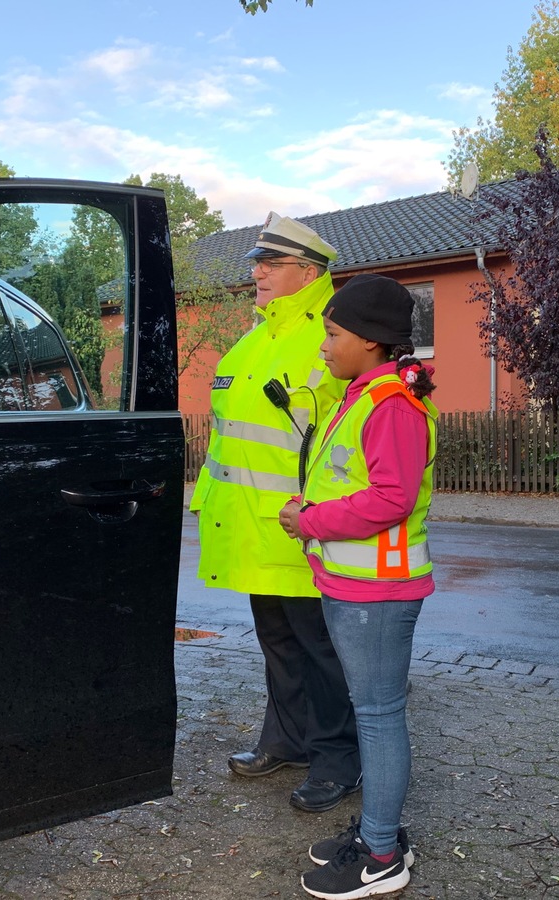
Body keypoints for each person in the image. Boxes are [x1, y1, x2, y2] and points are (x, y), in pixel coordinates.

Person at [189, 213, 361, 813]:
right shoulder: (254, 338)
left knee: (322, 651)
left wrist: (326, 516)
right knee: (279, 643)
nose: (256, 272)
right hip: (253, 529)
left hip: (304, 532)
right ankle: (287, 741)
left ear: (308, 272)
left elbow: (349, 441)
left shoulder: (331, 335)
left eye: (270, 263)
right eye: (256, 263)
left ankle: (340, 760)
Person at [279, 274, 438, 900]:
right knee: (374, 714)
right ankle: (381, 833)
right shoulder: (364, 396)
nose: (323, 345)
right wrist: (308, 508)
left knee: (377, 717)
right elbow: (356, 482)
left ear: (370, 341)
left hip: (377, 594)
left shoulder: (391, 406)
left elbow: (392, 498)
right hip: (356, 584)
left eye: (333, 333)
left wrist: (311, 520)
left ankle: (380, 858)